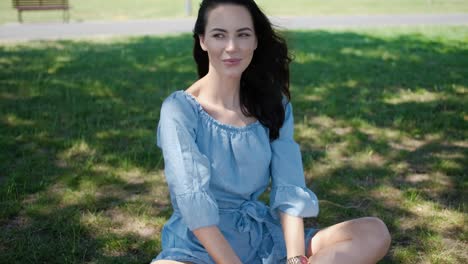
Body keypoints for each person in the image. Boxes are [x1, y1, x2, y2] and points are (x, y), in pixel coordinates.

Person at [152, 0, 391, 263]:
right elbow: (192, 203)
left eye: (243, 34)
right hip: (200, 248)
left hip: (262, 239)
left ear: (255, 40)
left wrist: (294, 257)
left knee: (373, 232)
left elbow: (288, 187)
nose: (232, 47)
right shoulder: (179, 110)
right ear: (202, 41)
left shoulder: (273, 105)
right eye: (219, 35)